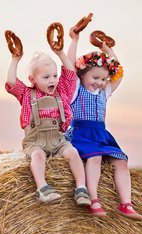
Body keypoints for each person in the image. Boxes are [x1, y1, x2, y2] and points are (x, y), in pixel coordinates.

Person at [65, 27, 142, 220]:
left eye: (103, 79)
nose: (100, 82)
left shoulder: (104, 92)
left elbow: (118, 73)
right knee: (95, 158)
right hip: (81, 133)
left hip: (101, 134)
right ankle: (93, 199)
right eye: (95, 78)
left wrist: (107, 49)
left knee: (121, 161)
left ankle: (126, 204)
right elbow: (68, 66)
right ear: (81, 75)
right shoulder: (76, 89)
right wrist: (74, 40)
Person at [5, 32, 91, 206]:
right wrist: (15, 59)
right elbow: (11, 82)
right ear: (32, 80)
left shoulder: (62, 91)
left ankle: (81, 188)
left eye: (54, 76)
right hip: (35, 141)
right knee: (37, 156)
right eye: (46, 77)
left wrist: (60, 53)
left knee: (73, 153)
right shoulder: (27, 94)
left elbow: (69, 73)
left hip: (58, 140)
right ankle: (42, 188)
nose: (52, 80)